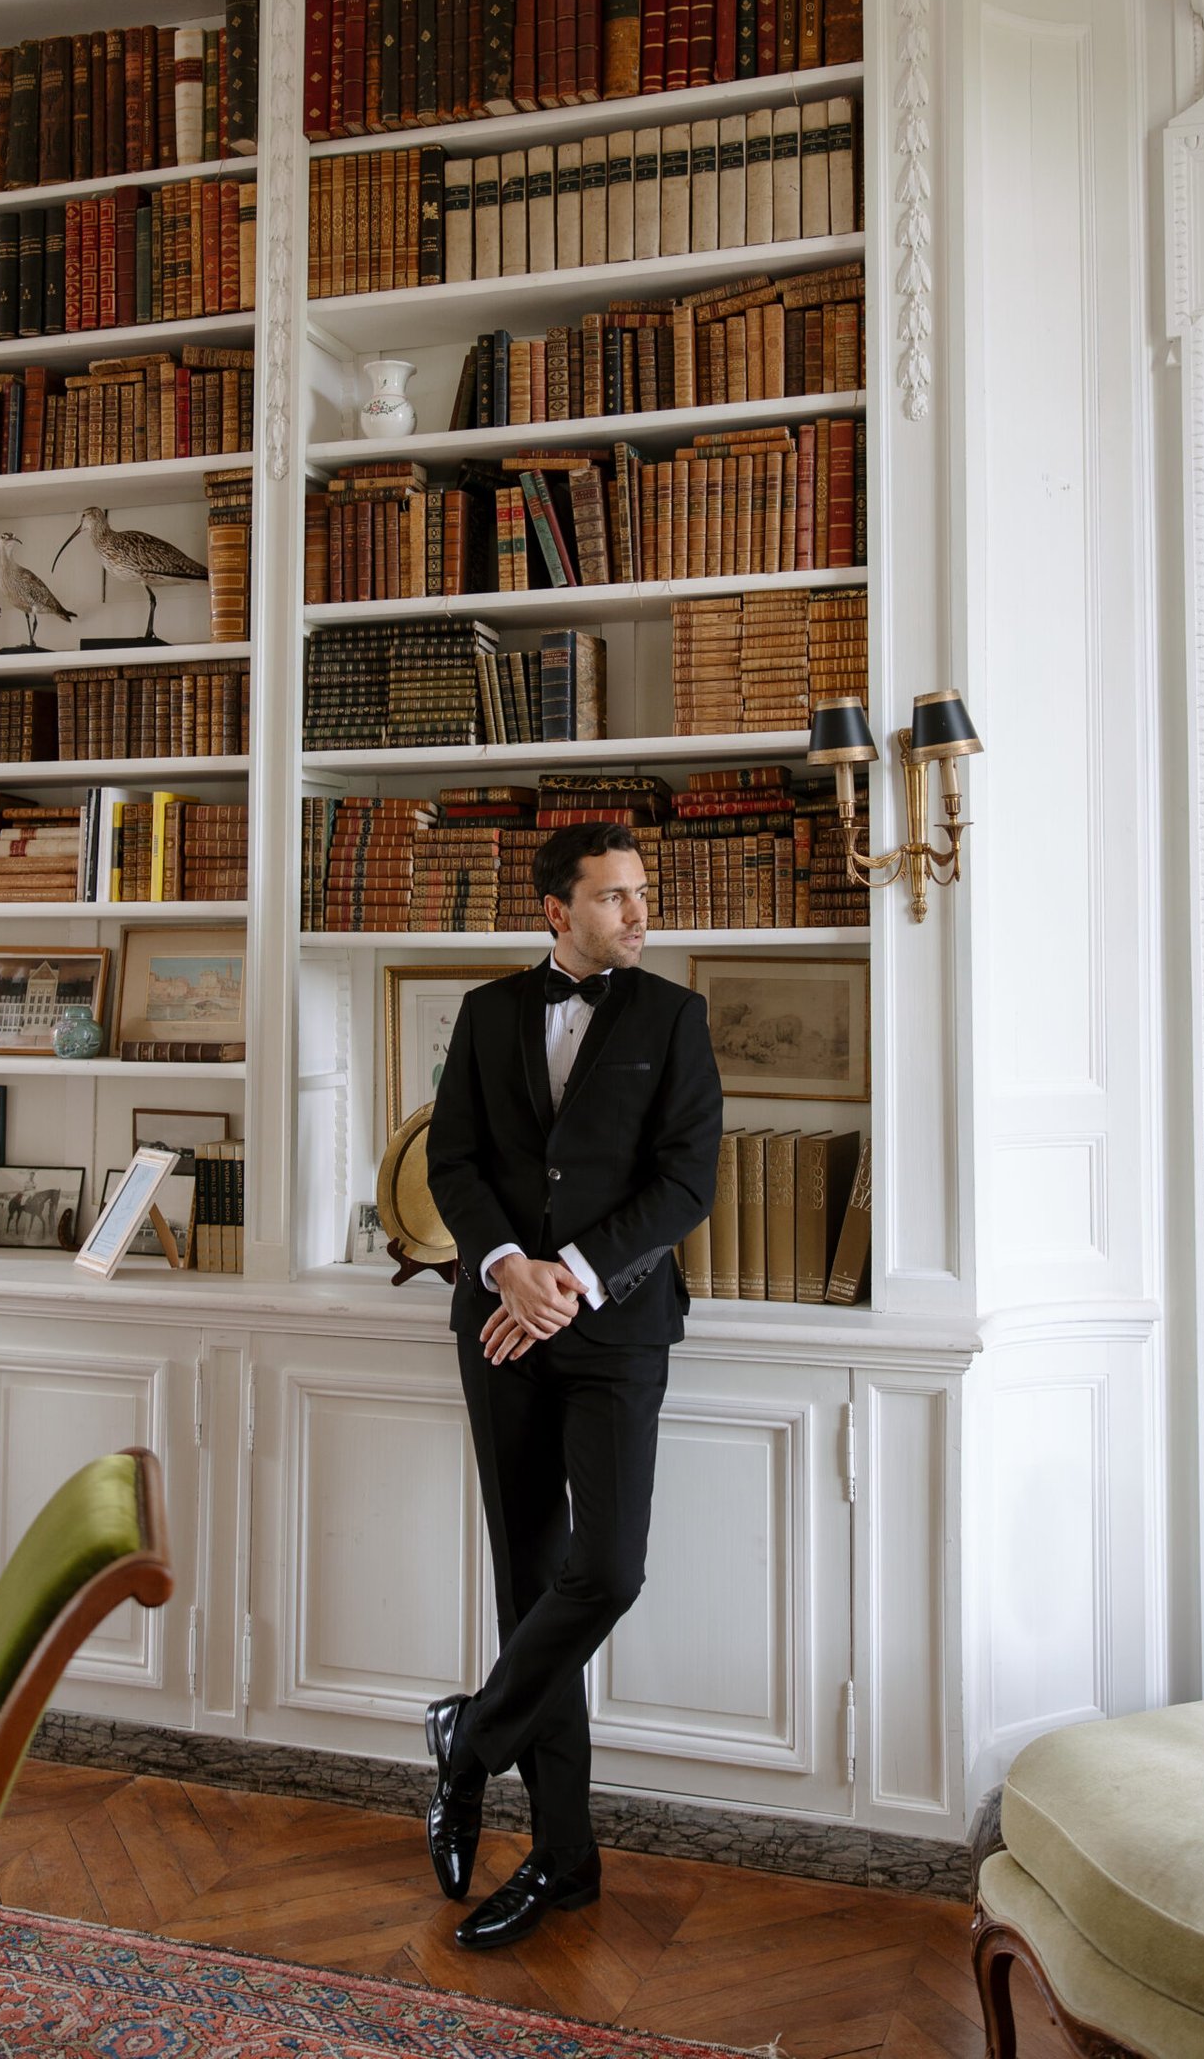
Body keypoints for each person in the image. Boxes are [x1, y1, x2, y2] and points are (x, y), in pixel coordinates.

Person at [423, 822, 723, 1951]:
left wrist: (574, 1280)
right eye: (613, 898)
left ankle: (468, 1740)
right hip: (499, 1327)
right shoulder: (488, 1012)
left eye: (641, 895)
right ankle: (562, 1860)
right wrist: (507, 1269)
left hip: (616, 1327)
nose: (638, 915)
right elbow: (451, 1160)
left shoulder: (673, 1017)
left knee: (605, 1569)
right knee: (528, 1579)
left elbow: (685, 1181)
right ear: (556, 909)